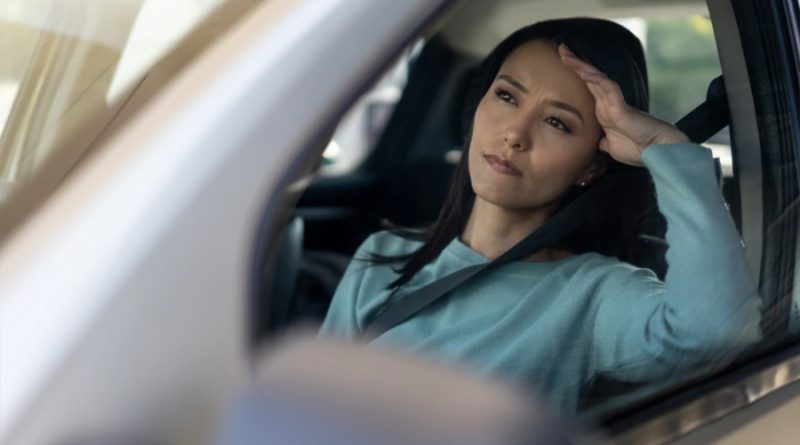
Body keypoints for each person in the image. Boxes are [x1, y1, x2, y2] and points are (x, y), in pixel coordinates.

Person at [318, 18, 762, 413]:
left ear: (591, 167)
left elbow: (717, 331)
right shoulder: (382, 258)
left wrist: (664, 149)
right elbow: (310, 403)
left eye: (557, 123)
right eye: (507, 96)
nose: (515, 133)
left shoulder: (592, 294)